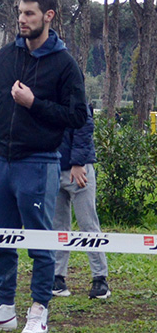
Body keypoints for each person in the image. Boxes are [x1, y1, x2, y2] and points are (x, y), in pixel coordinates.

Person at [0, 0, 87, 333]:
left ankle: (38, 310)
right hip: (2, 163)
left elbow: (78, 115)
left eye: (29, 13)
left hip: (40, 162)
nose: (22, 19)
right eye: (20, 12)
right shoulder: (6, 56)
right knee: (0, 238)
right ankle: (3, 310)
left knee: (39, 242)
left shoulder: (64, 64)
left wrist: (34, 103)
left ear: (48, 16)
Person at [53, 105, 110, 299]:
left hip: (79, 170)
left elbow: (84, 128)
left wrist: (77, 163)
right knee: (58, 226)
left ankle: (100, 278)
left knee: (88, 224)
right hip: (52, 167)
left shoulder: (75, 93)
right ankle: (57, 277)